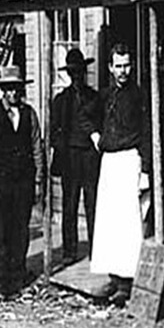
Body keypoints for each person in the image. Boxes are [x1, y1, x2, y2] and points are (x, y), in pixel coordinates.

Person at [81, 42, 151, 306]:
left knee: (128, 222)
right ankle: (113, 276)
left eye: (127, 65)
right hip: (109, 162)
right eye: (118, 66)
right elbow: (85, 116)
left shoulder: (139, 95)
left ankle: (128, 281)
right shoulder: (105, 95)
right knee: (109, 221)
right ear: (110, 68)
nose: (123, 71)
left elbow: (146, 131)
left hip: (129, 160)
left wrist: (145, 170)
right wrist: (96, 137)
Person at [51, 48, 100, 265]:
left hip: (90, 156)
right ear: (69, 75)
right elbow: (53, 131)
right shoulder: (61, 100)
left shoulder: (95, 97)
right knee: (69, 204)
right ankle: (69, 251)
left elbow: (101, 124)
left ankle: (96, 248)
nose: (77, 76)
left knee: (92, 202)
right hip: (70, 157)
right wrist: (60, 148)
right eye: (73, 73)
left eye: (80, 72)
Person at [0, 65, 44, 297]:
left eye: (16, 88)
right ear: (3, 91)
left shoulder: (29, 113)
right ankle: (4, 280)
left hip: (24, 181)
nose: (13, 93)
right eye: (9, 89)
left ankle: (18, 274)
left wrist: (38, 179)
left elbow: (37, 146)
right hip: (3, 182)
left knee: (21, 228)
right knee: (3, 230)